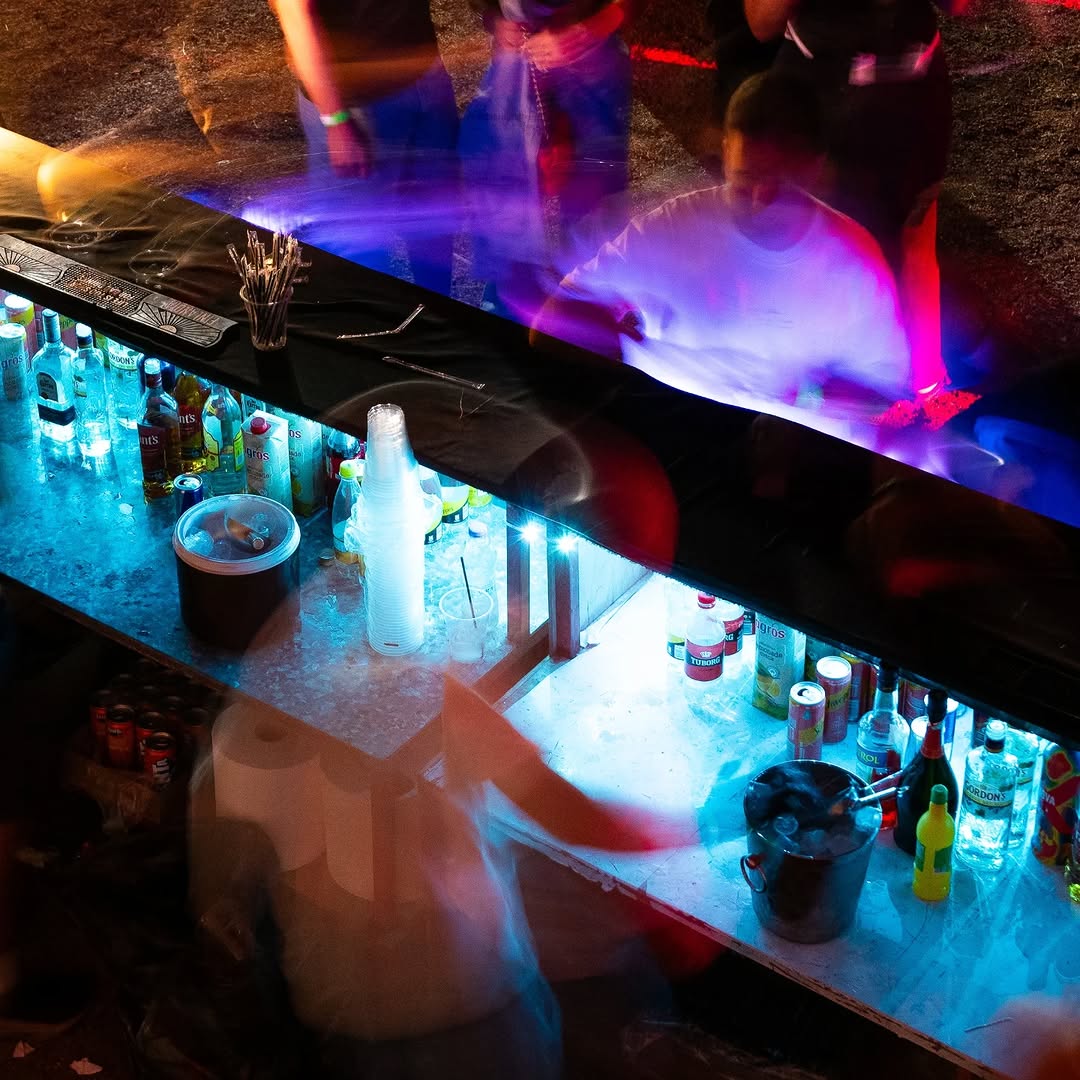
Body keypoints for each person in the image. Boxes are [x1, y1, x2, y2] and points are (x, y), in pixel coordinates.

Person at [190, 674, 702, 1079]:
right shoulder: (428, 689)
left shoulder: (265, 693)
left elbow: (226, 831)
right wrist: (694, 828)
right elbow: (567, 813)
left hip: (340, 1010)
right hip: (465, 1012)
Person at [532, 71, 911, 416]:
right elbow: (551, 322)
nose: (760, 201)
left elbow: (886, 396)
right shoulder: (672, 227)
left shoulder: (854, 264)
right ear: (727, 150)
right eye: (745, 182)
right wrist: (618, 352)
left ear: (816, 168)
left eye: (780, 188)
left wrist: (805, 398)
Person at [744, 0, 959, 396]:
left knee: (831, 243)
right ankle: (919, 388)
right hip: (875, 85)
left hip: (867, 89)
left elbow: (763, 20)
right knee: (891, 244)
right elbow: (958, 4)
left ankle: (914, 385)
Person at [269, 0, 459, 295]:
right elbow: (296, 15)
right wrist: (335, 120)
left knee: (433, 226)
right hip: (357, 110)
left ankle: (439, 316)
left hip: (426, 79)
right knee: (359, 251)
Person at [461, 0, 634, 322]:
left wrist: (592, 27)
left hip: (592, 77)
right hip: (514, 77)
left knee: (589, 220)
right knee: (510, 214)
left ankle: (585, 317)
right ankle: (514, 308)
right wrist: (497, 21)